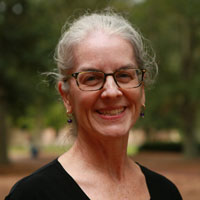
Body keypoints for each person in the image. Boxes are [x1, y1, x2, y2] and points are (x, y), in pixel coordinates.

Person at [5, 11, 182, 200]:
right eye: (91, 78)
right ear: (66, 96)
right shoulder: (32, 195)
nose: (112, 92)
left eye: (124, 75)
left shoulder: (166, 192)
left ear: (142, 89)